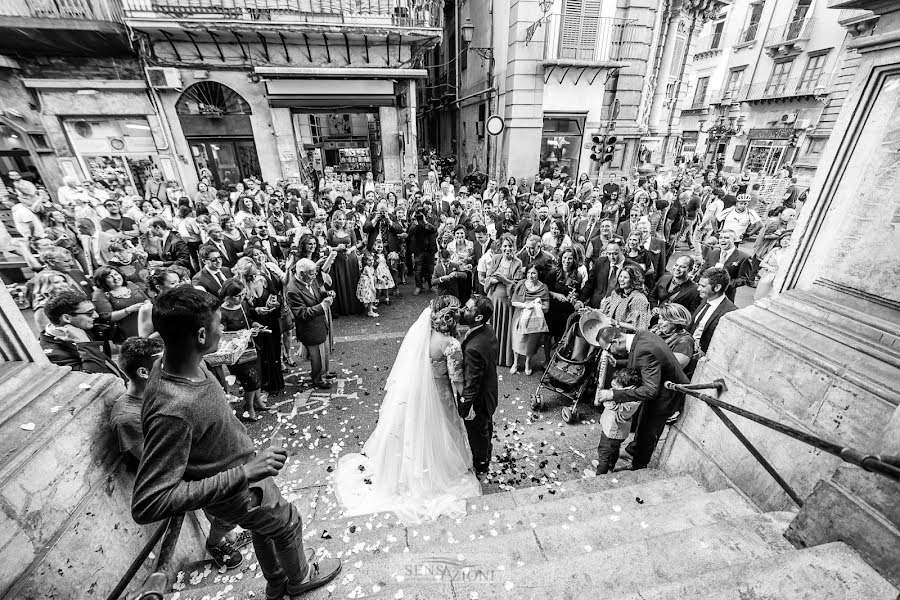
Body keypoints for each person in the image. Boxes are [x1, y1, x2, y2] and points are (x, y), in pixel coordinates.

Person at [131, 286, 341, 597]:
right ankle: (300, 578)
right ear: (201, 335)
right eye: (219, 323)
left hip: (245, 471)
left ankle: (276, 580)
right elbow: (149, 502)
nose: (224, 328)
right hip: (238, 489)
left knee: (265, 528)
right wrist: (245, 473)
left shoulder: (180, 360)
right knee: (288, 523)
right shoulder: (173, 409)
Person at [332, 296, 482, 523]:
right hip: (439, 395)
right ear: (451, 316)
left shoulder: (424, 336)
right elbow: (457, 380)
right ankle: (434, 472)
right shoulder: (450, 345)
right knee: (438, 431)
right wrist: (467, 403)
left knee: (416, 428)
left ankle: (411, 470)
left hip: (417, 391)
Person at [111, 336, 250, 569]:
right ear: (145, 372)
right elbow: (157, 464)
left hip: (210, 459)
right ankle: (215, 543)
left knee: (228, 513)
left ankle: (228, 535)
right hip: (196, 472)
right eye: (167, 362)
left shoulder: (167, 391)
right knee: (226, 512)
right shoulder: (128, 417)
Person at [592, 326, 688, 470]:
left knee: (647, 431)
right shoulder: (641, 336)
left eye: (608, 349)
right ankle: (635, 456)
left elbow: (650, 390)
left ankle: (638, 467)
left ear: (616, 342)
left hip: (666, 396)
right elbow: (642, 362)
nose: (608, 352)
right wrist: (618, 363)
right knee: (643, 427)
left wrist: (613, 394)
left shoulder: (643, 351)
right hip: (662, 387)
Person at [458, 296, 500, 475]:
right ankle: (486, 454)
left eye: (468, 309)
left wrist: (464, 408)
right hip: (490, 392)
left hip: (479, 399)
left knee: (477, 432)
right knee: (486, 427)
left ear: (478, 318)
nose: (462, 311)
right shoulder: (488, 330)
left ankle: (481, 463)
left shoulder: (473, 348)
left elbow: (472, 384)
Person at [39, 290, 125, 377]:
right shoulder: (53, 355)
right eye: (90, 313)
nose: (96, 315)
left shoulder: (79, 326)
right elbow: (94, 379)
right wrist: (85, 344)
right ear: (67, 318)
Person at [218, 279, 269, 421]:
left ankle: (257, 402)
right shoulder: (221, 312)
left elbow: (249, 320)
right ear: (227, 296)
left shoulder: (244, 304)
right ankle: (249, 406)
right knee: (250, 381)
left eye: (242, 295)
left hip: (252, 347)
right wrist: (243, 334)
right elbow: (223, 336)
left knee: (258, 377)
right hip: (238, 353)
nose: (241, 298)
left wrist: (255, 325)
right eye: (237, 296)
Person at [286, 258, 336, 390]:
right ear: (302, 273)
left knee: (323, 352)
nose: (314, 276)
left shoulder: (309, 280)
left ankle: (324, 373)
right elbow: (302, 313)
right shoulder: (292, 290)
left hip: (319, 324)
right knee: (316, 357)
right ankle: (317, 380)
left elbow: (317, 294)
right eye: (312, 274)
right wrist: (322, 306)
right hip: (309, 329)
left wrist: (326, 294)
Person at [483, 234, 523, 367]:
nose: (507, 249)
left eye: (510, 246)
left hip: (507, 302)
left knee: (505, 328)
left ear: (514, 247)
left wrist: (504, 280)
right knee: (493, 328)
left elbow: (517, 285)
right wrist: (493, 280)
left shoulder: (518, 263)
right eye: (505, 246)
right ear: (501, 247)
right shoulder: (496, 259)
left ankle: (504, 358)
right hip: (494, 299)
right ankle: (492, 356)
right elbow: (487, 277)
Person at [595, 368, 642, 475]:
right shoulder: (634, 397)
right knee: (614, 450)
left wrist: (606, 394)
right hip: (620, 433)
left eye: (617, 383)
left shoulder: (620, 399)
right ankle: (610, 468)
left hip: (611, 431)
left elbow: (607, 403)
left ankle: (600, 474)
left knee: (603, 453)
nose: (613, 383)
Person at [91, 265, 150, 342]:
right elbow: (106, 317)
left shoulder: (130, 284)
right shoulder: (99, 294)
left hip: (146, 323)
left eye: (116, 274)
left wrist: (147, 303)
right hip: (124, 330)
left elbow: (146, 299)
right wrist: (129, 310)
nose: (115, 278)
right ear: (102, 281)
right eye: (109, 277)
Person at [509, 264, 549, 375]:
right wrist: (526, 305)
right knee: (517, 339)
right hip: (519, 316)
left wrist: (537, 305)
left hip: (535, 319)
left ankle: (528, 363)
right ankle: (516, 362)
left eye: (533, 273)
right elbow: (513, 302)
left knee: (531, 343)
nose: (530, 276)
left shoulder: (543, 288)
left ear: (539, 274)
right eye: (528, 273)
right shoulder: (521, 284)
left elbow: (546, 308)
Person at [690, 267, 738, 355]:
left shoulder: (730, 313)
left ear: (717, 287)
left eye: (703, 286)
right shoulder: (705, 299)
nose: (698, 289)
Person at [580, 240, 638, 309]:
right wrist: (580, 300)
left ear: (623, 250)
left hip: (617, 309)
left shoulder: (633, 267)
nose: (611, 257)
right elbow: (589, 284)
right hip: (596, 306)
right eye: (609, 254)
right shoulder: (600, 262)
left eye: (615, 254)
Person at [326, 210, 363, 316]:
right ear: (334, 220)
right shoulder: (330, 232)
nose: (341, 221)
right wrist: (336, 248)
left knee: (352, 281)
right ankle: (344, 308)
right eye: (339, 219)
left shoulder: (350, 230)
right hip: (338, 260)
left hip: (350, 259)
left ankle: (354, 307)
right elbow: (327, 247)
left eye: (343, 219)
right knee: (341, 282)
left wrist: (351, 250)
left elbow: (355, 244)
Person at [701, 229, 752, 302]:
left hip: (726, 296)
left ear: (734, 240)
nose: (723, 240)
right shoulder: (712, 253)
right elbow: (703, 271)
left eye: (727, 238)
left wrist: (725, 284)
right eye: (721, 238)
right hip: (707, 294)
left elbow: (744, 279)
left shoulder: (744, 257)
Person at [600, 264, 651, 332]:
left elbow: (639, 327)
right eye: (620, 276)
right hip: (613, 333)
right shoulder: (616, 294)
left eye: (625, 277)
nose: (621, 280)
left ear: (633, 280)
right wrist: (591, 311)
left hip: (628, 338)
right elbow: (607, 312)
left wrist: (617, 323)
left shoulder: (639, 299)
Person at [754, 232, 792, 301]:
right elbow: (762, 263)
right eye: (783, 239)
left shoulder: (790, 254)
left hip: (780, 278)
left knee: (773, 299)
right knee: (761, 298)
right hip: (768, 276)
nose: (785, 241)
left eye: (788, 239)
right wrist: (770, 268)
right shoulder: (775, 250)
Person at [357, 252, 378, 317]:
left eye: (372, 260)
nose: (371, 262)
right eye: (369, 260)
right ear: (365, 261)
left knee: (370, 297)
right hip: (367, 284)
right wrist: (373, 286)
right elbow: (370, 277)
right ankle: (370, 311)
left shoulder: (371, 267)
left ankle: (370, 307)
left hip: (368, 283)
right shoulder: (367, 268)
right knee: (370, 296)